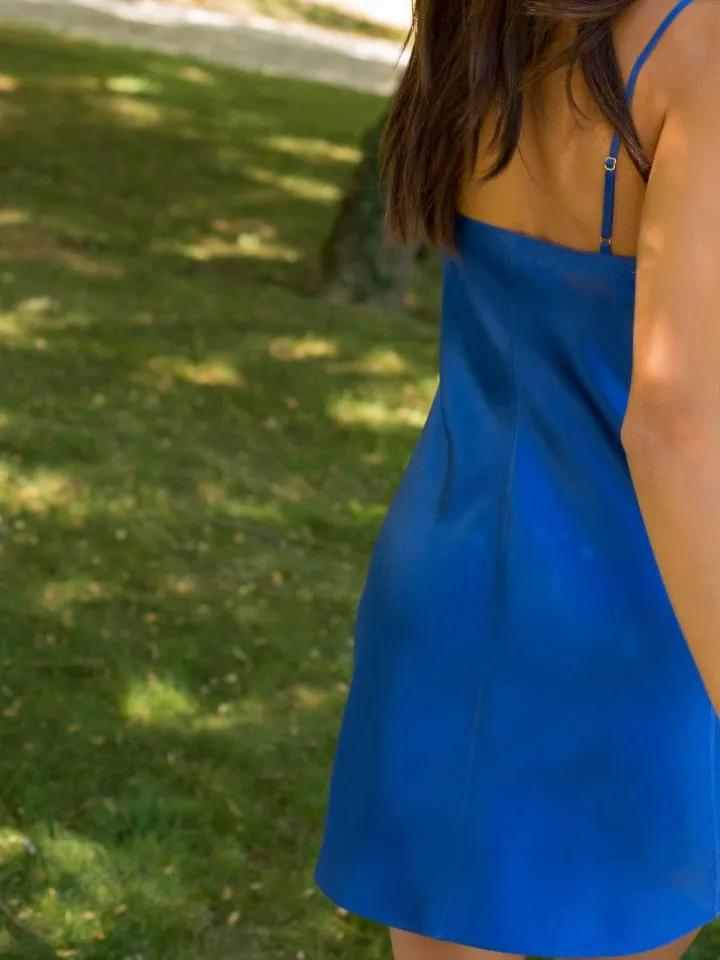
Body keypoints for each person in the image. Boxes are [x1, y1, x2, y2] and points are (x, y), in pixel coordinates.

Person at [315, 0, 720, 957]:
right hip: (638, 614)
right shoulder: (699, 46)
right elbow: (672, 428)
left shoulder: (488, 21)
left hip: (445, 578)